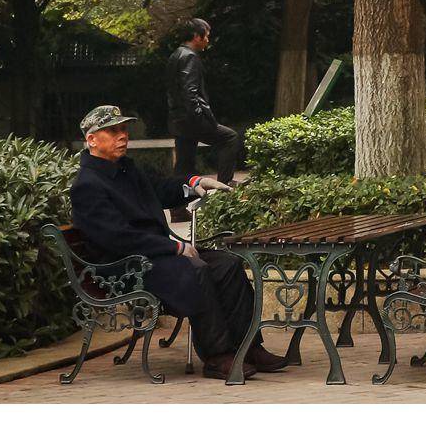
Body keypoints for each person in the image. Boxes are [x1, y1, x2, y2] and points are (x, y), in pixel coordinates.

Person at [70, 105, 288, 382]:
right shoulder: (87, 185)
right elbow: (116, 237)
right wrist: (173, 248)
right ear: (92, 140)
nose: (122, 136)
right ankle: (217, 355)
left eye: (124, 129)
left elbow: (160, 188)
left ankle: (249, 347)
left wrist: (195, 182)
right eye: (113, 131)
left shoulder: (125, 169)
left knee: (227, 264)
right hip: (123, 267)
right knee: (195, 270)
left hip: (152, 257)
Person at [168, 18, 241, 183]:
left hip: (178, 119)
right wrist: (200, 117)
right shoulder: (189, 57)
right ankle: (224, 187)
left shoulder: (176, 55)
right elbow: (189, 92)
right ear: (196, 36)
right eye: (206, 36)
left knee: (184, 166)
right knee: (230, 138)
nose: (208, 40)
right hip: (192, 119)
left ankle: (177, 207)